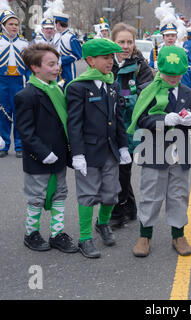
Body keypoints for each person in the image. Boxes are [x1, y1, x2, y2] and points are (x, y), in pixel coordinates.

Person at [127, 45, 191, 257]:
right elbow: (140, 118)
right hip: (154, 150)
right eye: (168, 74)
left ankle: (178, 234)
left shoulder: (189, 93)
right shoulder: (149, 90)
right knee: (151, 194)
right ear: (160, 71)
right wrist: (163, 119)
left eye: (177, 75)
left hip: (180, 152)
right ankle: (145, 235)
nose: (172, 78)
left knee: (178, 195)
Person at [65, 38, 131, 259]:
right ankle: (85, 238)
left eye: (111, 57)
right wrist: (78, 154)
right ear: (91, 60)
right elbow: (74, 124)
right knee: (87, 195)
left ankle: (102, 223)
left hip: (110, 150)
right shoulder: (77, 87)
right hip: (89, 152)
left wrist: (123, 147)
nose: (110, 61)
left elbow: (118, 119)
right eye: (105, 57)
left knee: (111, 194)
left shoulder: (111, 83)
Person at [15, 43, 78, 253]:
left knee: (60, 193)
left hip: (59, 155)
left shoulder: (56, 89)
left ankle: (56, 234)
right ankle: (31, 233)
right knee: (36, 196)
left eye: (57, 64)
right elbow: (25, 132)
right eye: (51, 64)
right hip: (38, 158)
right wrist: (42, 153)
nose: (56, 68)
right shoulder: (26, 95)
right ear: (35, 67)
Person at [109, 23, 154, 229]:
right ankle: (131, 207)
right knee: (115, 168)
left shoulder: (140, 66)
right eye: (121, 42)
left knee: (123, 168)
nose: (126, 46)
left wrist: (122, 96)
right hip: (108, 125)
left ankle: (118, 211)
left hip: (131, 126)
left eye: (129, 42)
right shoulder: (107, 62)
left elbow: (144, 95)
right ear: (113, 42)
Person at [0, 9, 29, 159]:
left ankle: (20, 145)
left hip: (20, 82)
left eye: (16, 24)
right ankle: (3, 145)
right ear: (3, 25)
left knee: (20, 115)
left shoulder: (24, 43)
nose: (14, 27)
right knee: (3, 114)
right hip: (2, 83)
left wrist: (30, 81)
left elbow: (30, 65)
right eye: (11, 24)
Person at [53, 11, 82, 87]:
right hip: (56, 67)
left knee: (69, 87)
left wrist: (62, 60)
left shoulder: (71, 37)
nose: (55, 25)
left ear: (58, 24)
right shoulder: (56, 36)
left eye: (56, 23)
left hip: (68, 68)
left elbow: (78, 55)